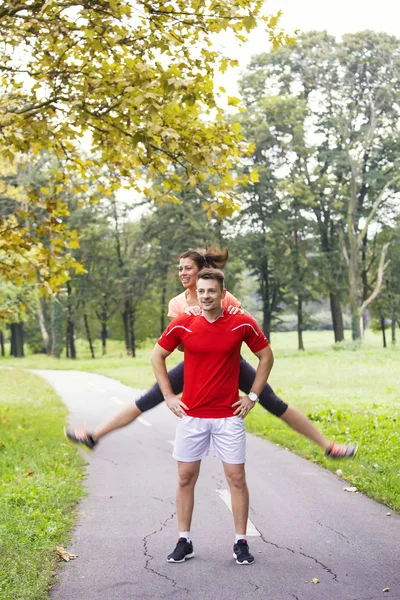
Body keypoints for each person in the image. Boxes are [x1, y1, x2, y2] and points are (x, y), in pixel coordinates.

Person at [65, 245, 357, 460]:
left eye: (187, 268)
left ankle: (328, 445)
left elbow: (243, 327)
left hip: (231, 363)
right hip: (195, 366)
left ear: (201, 271)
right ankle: (94, 436)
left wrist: (217, 314)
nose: (182, 273)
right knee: (150, 397)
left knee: (272, 401)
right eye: (179, 269)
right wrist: (192, 320)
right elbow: (177, 345)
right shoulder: (177, 304)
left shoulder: (222, 294)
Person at [152, 267, 274, 564]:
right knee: (185, 478)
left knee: (236, 479)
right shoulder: (184, 323)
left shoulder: (241, 322)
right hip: (191, 416)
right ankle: (184, 540)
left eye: (212, 291)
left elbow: (266, 356)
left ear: (222, 293)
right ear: (198, 292)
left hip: (228, 416)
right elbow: (157, 355)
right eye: (202, 291)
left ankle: (241, 542)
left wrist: (253, 396)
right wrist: (169, 395)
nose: (206, 296)